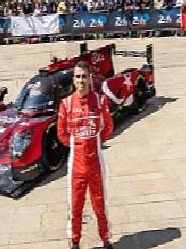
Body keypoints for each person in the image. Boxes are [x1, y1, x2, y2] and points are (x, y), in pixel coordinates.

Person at [57, 61, 114, 249]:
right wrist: (78, 145)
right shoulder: (65, 104)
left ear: (90, 78)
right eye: (78, 76)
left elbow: (108, 128)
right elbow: (62, 135)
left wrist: (95, 141)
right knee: (75, 204)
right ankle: (75, 241)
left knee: (100, 202)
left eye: (84, 76)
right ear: (73, 80)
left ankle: (106, 239)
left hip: (96, 161)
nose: (81, 80)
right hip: (76, 165)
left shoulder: (100, 100)